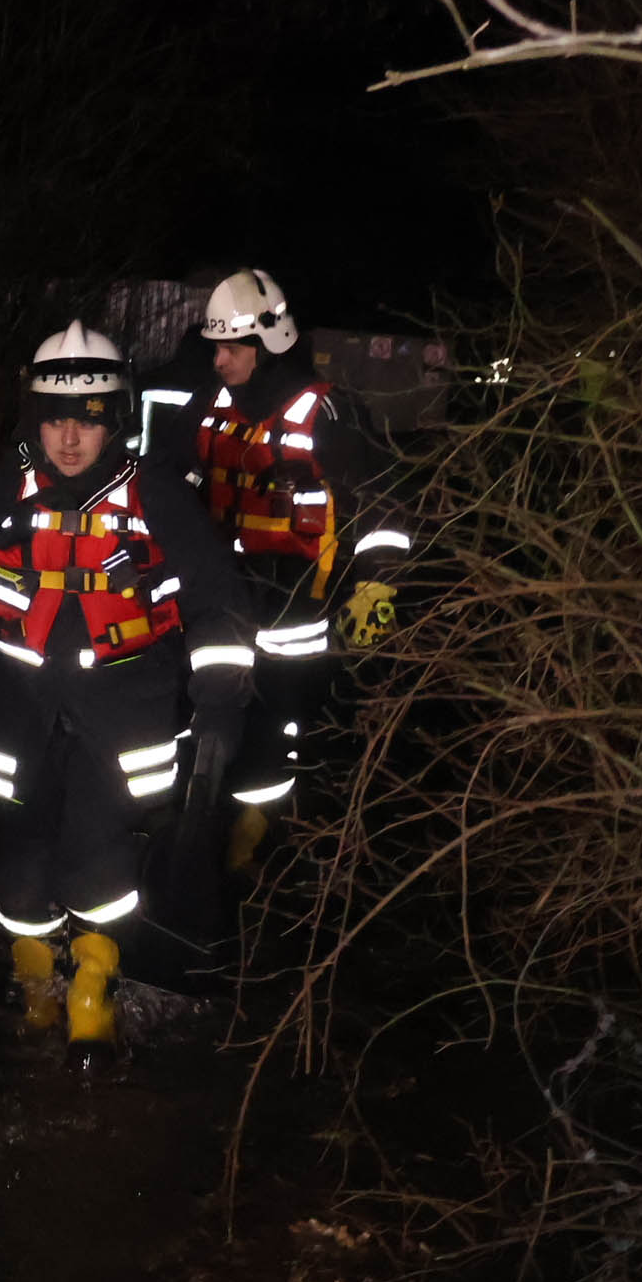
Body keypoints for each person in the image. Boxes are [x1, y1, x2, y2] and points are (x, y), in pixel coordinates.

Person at [0, 322, 254, 1065]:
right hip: (14, 711)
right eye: (54, 419)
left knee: (98, 865)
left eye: (88, 419)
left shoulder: (157, 497)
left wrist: (220, 701)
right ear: (33, 418)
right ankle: (36, 991)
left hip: (125, 712)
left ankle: (92, 999)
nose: (69, 438)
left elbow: (217, 602)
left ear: (116, 419)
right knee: (18, 871)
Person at [150, 267, 407, 872]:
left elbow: (384, 505)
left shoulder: (326, 413)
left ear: (269, 341)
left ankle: (260, 836)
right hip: (216, 596)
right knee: (198, 706)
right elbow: (162, 486)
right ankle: (187, 820)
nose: (219, 360)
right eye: (215, 347)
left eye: (232, 347)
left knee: (276, 723)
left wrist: (377, 584)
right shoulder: (208, 407)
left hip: (295, 605)